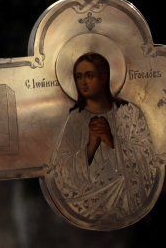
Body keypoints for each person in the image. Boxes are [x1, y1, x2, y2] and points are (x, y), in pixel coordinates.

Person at [47, 53, 157, 225]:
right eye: (79, 77)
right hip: (88, 206)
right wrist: (90, 145)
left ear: (104, 77)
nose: (83, 82)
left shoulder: (129, 113)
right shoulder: (75, 120)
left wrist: (110, 139)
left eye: (89, 76)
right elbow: (61, 170)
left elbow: (147, 159)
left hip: (129, 203)